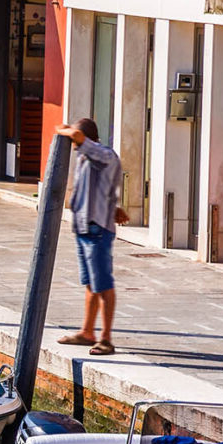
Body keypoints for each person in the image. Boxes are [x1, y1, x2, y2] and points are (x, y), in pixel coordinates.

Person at [59, 117, 124, 356]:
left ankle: (106, 338)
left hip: (97, 230)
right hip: (84, 227)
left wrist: (65, 130)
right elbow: (102, 190)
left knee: (103, 284)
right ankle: (87, 331)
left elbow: (78, 139)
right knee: (90, 284)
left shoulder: (104, 155)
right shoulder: (85, 158)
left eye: (76, 139)